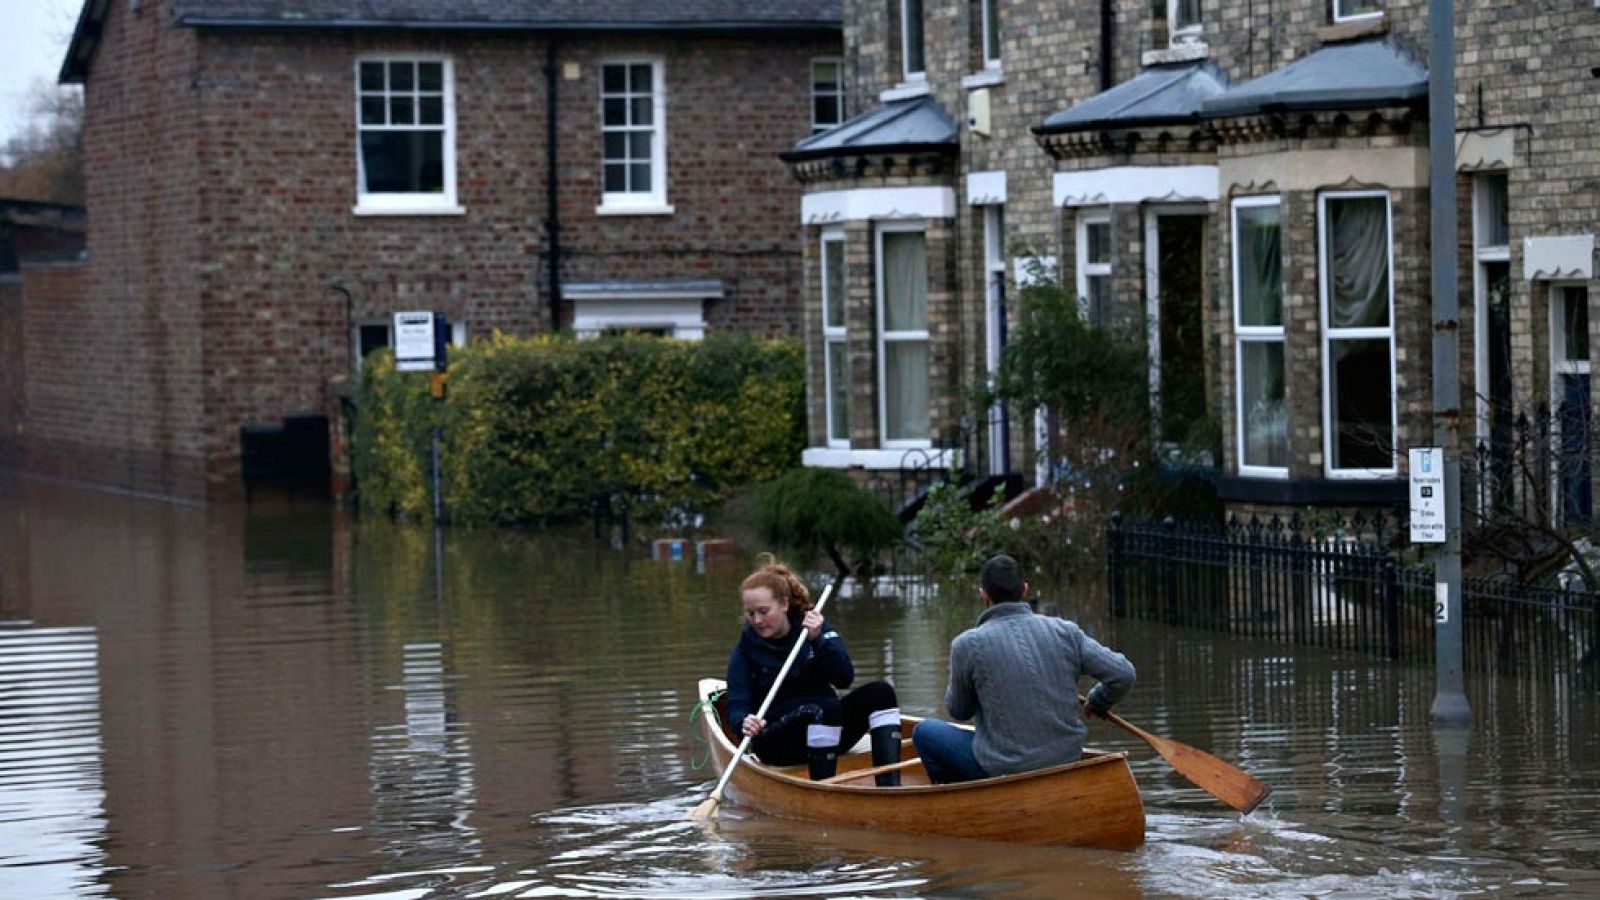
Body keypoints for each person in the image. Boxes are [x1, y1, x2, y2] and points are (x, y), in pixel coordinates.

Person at [912, 553, 1135, 784]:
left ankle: (960, 803)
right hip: (1067, 760)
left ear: (984, 594)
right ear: (1025, 590)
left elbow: (959, 711)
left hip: (1004, 768)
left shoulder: (967, 645)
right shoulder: (1065, 631)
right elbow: (1123, 674)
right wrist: (1098, 700)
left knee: (925, 732)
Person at [723, 560, 904, 785]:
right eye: (751, 614)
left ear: (784, 604)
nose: (757, 621)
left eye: (763, 611)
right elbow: (737, 704)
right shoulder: (745, 652)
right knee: (824, 708)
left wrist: (818, 640)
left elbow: (844, 678)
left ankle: (889, 787)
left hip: (829, 731)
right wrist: (744, 722)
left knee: (881, 693)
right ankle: (824, 791)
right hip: (778, 743)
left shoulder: (813, 628)